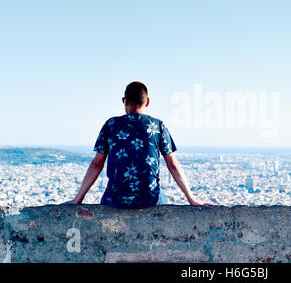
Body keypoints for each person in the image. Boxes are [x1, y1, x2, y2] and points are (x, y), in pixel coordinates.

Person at [68, 81, 211, 208]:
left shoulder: (111, 125)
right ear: (147, 102)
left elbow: (96, 164)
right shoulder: (158, 126)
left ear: (125, 101)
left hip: (116, 200)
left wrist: (77, 200)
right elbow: (172, 164)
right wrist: (191, 199)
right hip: (149, 200)